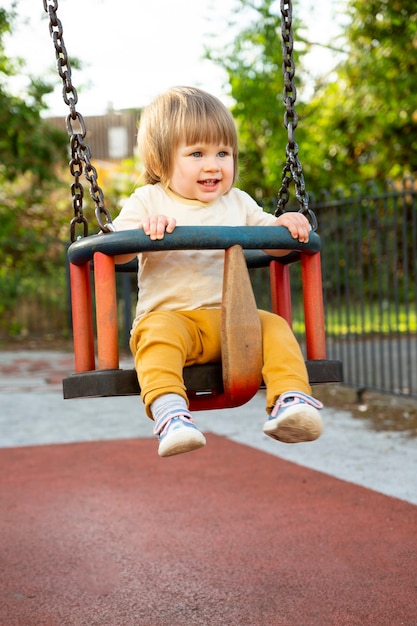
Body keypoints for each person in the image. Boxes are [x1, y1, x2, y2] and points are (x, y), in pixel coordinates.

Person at [113, 86, 323, 458]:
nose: (213, 165)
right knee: (154, 336)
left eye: (223, 153)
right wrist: (143, 231)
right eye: (197, 153)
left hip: (232, 324)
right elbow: (113, 253)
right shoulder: (149, 200)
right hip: (172, 321)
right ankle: (170, 415)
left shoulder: (238, 201)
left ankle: (291, 401)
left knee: (274, 326)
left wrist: (286, 224)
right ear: (161, 163)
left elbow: (273, 242)